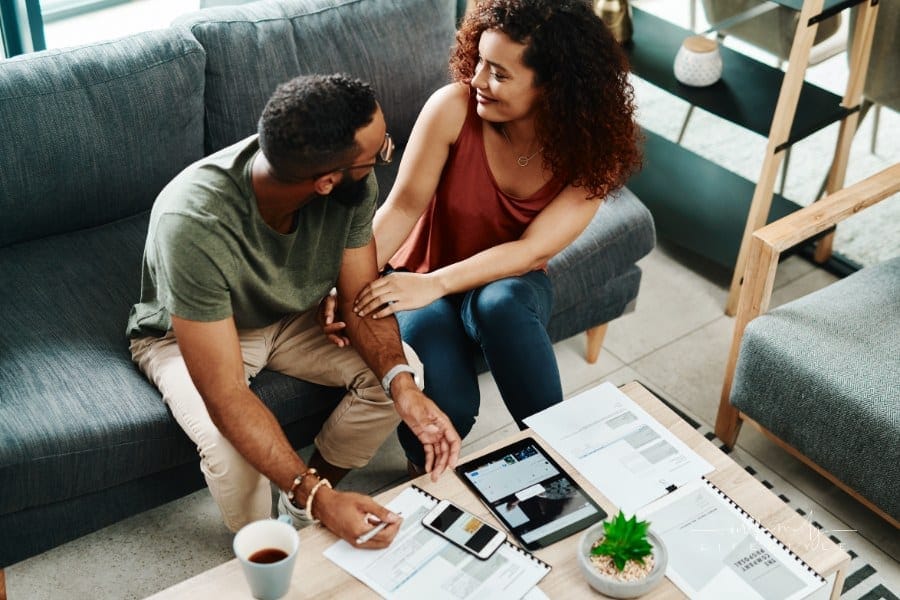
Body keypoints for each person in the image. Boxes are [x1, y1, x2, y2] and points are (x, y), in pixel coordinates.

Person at [126, 73, 461, 548]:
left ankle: (301, 507)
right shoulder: (193, 223)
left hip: (289, 315)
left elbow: (360, 296)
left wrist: (403, 391)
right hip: (187, 335)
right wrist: (320, 499)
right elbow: (225, 394)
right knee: (234, 456)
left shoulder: (350, 187)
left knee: (405, 376)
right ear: (326, 181)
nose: (385, 157)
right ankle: (265, 545)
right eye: (379, 153)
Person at [350, 0, 641, 473]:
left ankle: (559, 457)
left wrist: (440, 284)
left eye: (500, 74)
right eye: (481, 62)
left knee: (499, 304)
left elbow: (531, 251)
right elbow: (401, 207)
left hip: (510, 281)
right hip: (419, 274)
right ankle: (421, 477)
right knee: (451, 406)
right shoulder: (453, 108)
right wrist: (351, 286)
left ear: (553, 86)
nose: (479, 80)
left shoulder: (592, 153)